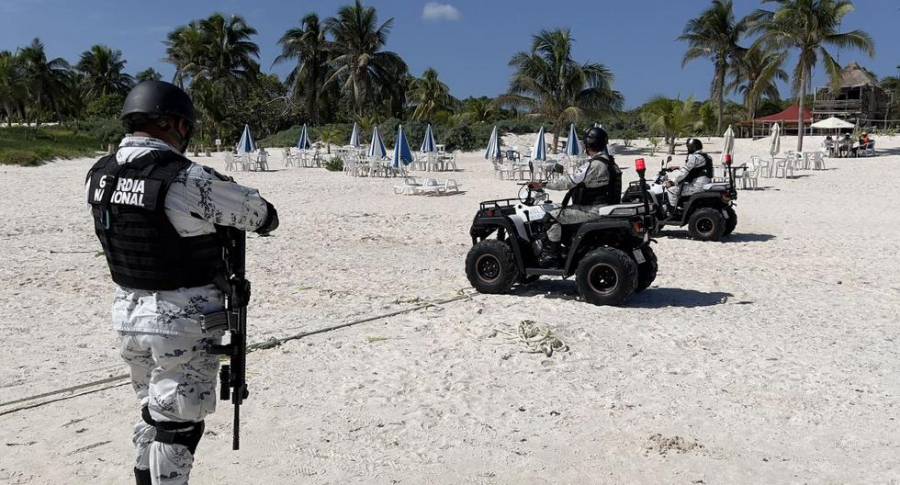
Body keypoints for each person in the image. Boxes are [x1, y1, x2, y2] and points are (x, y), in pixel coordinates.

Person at [85, 80, 279, 485]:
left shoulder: (99, 175)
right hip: (180, 318)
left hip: (127, 311)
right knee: (179, 427)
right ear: (176, 125)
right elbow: (261, 215)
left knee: (154, 415)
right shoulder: (187, 179)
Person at [530, 126, 621, 267]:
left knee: (551, 217)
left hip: (591, 210)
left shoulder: (592, 165)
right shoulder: (611, 164)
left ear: (587, 144)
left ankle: (551, 255)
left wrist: (542, 184)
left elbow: (567, 182)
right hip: (607, 207)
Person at [666, 138, 713, 208]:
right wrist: (678, 168)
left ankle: (673, 212)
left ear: (693, 147)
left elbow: (684, 172)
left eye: (689, 147)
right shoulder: (707, 156)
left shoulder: (695, 157)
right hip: (705, 183)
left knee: (672, 190)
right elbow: (695, 169)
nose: (688, 149)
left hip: (697, 186)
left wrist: (673, 182)